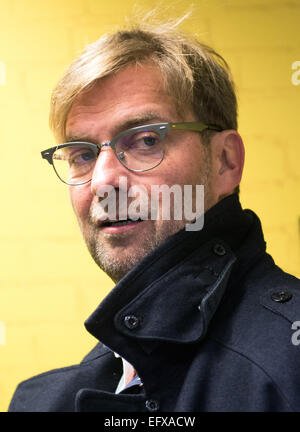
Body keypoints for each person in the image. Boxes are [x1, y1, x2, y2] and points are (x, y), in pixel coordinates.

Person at [9, 16, 300, 412]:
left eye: (146, 140)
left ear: (225, 162)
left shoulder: (289, 366)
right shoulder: (40, 402)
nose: (103, 181)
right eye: (82, 154)